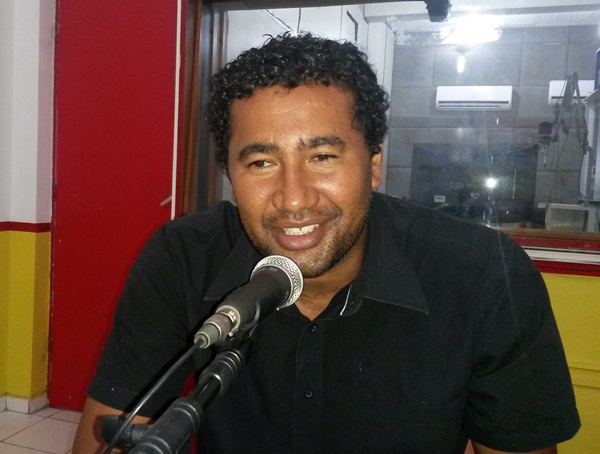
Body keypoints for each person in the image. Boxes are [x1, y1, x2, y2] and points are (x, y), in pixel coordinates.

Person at [73, 33, 580, 453]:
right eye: (261, 162)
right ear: (231, 175)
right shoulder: (183, 257)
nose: (293, 199)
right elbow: (110, 433)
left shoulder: (483, 275)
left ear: (373, 165)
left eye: (322, 157)